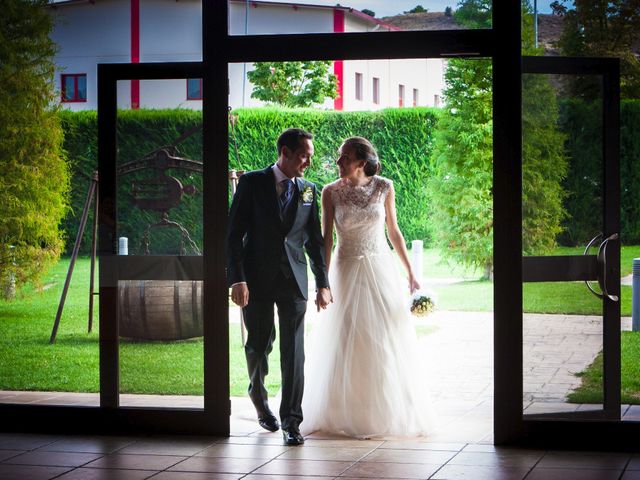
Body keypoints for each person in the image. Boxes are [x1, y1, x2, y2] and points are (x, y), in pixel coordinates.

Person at [302, 136, 435, 438]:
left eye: (344, 157)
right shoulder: (329, 193)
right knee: (346, 338)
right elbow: (326, 239)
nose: (338, 162)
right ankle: (341, 410)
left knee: (383, 337)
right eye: (339, 156)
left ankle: (384, 410)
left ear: (361, 162)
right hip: (345, 269)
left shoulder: (385, 187)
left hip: (379, 268)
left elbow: (394, 231)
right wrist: (322, 282)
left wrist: (411, 272)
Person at [227, 128, 332, 446]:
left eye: (310, 156)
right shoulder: (252, 182)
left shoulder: (309, 190)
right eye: (304, 155)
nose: (308, 162)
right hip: (255, 279)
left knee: (294, 351)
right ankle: (257, 395)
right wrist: (237, 279)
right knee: (260, 343)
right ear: (284, 152)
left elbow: (314, 242)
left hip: (294, 282)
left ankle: (291, 422)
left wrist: (323, 284)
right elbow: (233, 234)